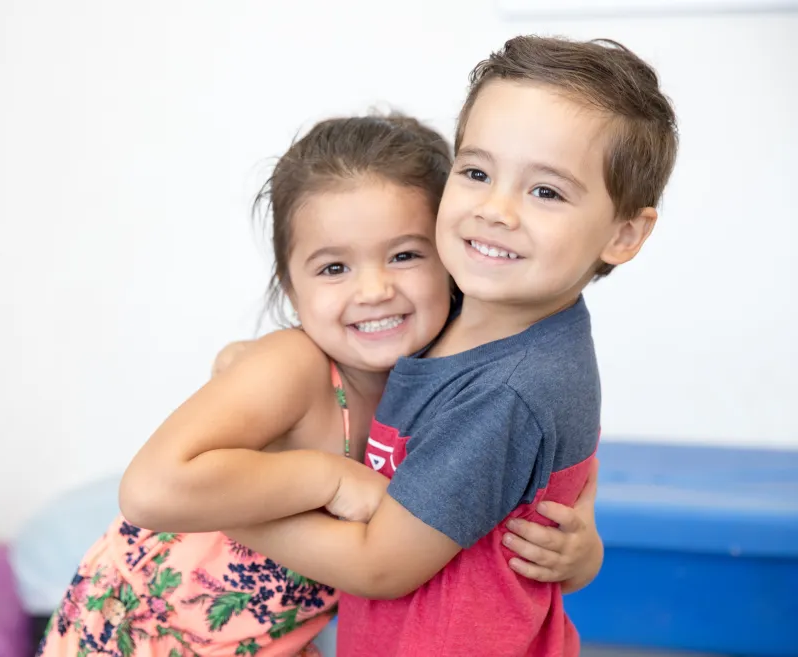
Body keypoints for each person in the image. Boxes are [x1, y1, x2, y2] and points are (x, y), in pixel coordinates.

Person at [38, 112, 604, 657]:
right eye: (334, 268)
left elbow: (558, 493)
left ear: (452, 258)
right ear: (291, 288)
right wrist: (330, 478)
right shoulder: (294, 367)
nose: (374, 290)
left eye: (405, 255)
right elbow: (148, 492)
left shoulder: (461, 386)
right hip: (136, 635)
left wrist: (583, 555)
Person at [223, 36, 680, 657]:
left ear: (624, 233)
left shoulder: (509, 390)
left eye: (545, 191)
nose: (496, 210)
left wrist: (230, 515)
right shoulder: (461, 310)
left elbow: (380, 565)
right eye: (477, 173)